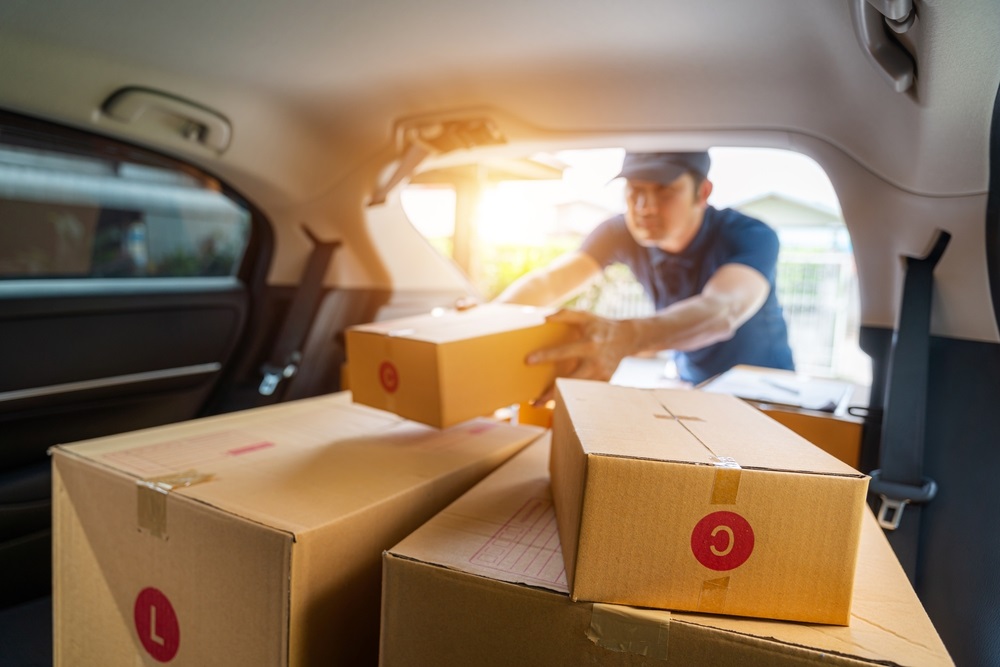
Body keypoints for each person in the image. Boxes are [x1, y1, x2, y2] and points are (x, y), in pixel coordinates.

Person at [495, 150, 794, 390]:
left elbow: (721, 310)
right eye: (635, 189)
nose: (644, 206)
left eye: (664, 191)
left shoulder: (750, 234)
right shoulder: (619, 231)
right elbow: (550, 282)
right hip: (693, 384)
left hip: (766, 389)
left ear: (702, 193)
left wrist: (626, 336)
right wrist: (488, 317)